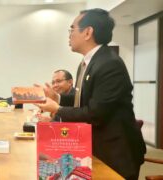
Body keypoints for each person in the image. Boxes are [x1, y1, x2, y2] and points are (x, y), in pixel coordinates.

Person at [36, 8, 146, 179]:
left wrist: (57, 108)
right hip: (94, 146)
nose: (69, 35)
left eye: (72, 29)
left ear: (87, 32)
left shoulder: (109, 64)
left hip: (115, 152)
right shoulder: (87, 62)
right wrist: (56, 97)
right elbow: (85, 98)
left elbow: (95, 112)